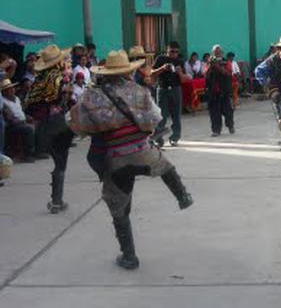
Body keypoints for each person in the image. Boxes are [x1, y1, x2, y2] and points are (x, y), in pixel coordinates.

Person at [68, 50, 193, 270]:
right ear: (127, 71)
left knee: (119, 207)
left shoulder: (91, 96)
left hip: (116, 158)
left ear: (104, 73)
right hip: (143, 152)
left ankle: (129, 256)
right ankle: (182, 196)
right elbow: (156, 118)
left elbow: (75, 123)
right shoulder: (138, 90)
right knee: (164, 165)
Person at [26, 45, 75, 213]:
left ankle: (56, 200)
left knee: (57, 162)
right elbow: (65, 100)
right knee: (62, 164)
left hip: (44, 127)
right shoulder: (60, 78)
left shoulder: (37, 81)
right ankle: (57, 201)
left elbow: (29, 105)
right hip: (60, 124)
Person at [152, 41, 185, 147]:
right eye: (171, 51)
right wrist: (162, 68)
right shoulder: (160, 59)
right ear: (167, 50)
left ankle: (175, 137)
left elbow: (184, 79)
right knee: (161, 115)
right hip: (163, 89)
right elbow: (151, 73)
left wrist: (179, 72)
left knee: (176, 115)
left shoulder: (180, 61)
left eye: (176, 52)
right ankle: (158, 139)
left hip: (176, 89)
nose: (173, 54)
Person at [1, 79, 36, 162]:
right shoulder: (3, 102)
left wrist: (26, 117)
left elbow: (21, 112)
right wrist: (22, 121)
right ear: (4, 92)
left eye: (12, 88)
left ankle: (37, 151)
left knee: (36, 125)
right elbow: (10, 118)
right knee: (28, 129)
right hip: (11, 125)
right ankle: (28, 155)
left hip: (21, 122)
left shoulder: (17, 99)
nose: (13, 90)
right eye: (9, 89)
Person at [206, 45, 235, 137]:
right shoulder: (210, 62)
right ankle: (216, 130)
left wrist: (217, 67)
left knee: (228, 111)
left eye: (219, 52)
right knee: (214, 112)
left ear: (222, 53)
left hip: (225, 91)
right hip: (213, 91)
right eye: (215, 52)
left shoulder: (226, 62)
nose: (217, 54)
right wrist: (211, 66)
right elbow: (205, 74)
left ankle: (230, 125)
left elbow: (228, 73)